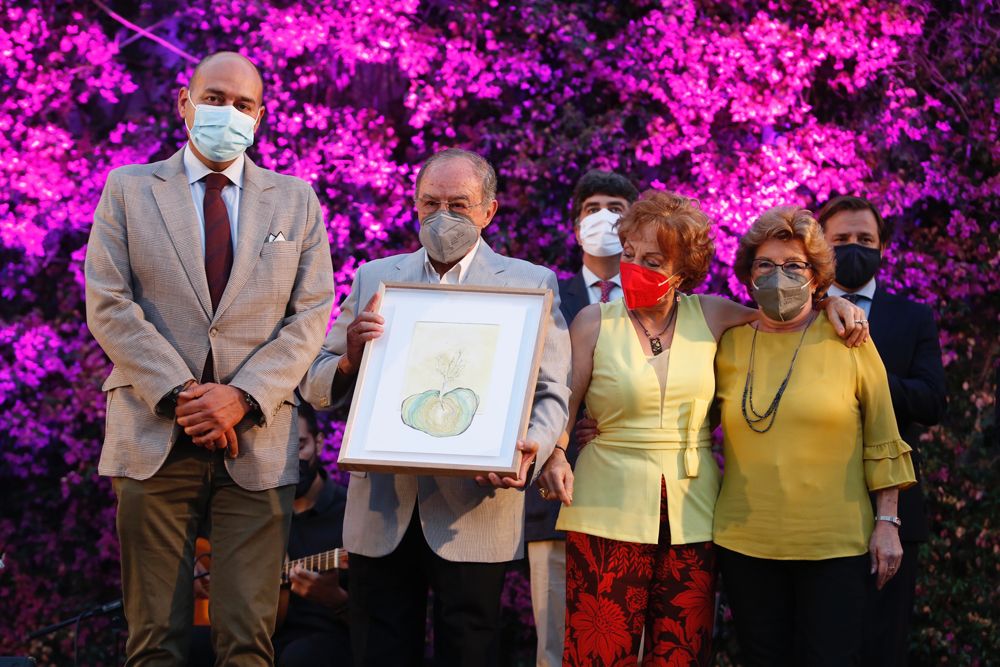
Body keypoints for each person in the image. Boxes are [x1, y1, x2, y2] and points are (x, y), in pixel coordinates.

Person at [537, 191, 868, 666]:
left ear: (683, 270)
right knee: (598, 653)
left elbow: (787, 318)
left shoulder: (711, 314)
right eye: (629, 255)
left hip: (694, 514)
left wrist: (834, 304)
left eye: (652, 259)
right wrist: (554, 455)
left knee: (682, 655)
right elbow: (562, 406)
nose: (634, 267)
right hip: (603, 505)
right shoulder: (593, 320)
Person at [85, 51, 334, 665]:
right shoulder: (129, 188)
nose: (229, 113)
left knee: (248, 642)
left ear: (261, 116)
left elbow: (310, 316)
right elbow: (109, 303)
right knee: (153, 644)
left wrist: (242, 398)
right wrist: (183, 395)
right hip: (153, 435)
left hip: (259, 441)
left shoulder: (296, 201)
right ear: (184, 101)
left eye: (243, 105)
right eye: (215, 98)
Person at [299, 147, 571, 667]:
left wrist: (527, 449)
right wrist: (350, 360)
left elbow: (552, 390)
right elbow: (315, 380)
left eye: (459, 204)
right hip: (382, 511)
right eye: (430, 203)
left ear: (489, 211)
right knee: (379, 651)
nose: (442, 216)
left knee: (470, 651)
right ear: (415, 205)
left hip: (475, 511)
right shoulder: (376, 277)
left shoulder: (530, 284)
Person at [712, 206, 917, 667]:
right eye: (765, 264)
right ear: (748, 274)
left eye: (793, 266)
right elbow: (686, 419)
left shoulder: (849, 338)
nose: (778, 275)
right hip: (746, 543)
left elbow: (883, 435)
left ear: (816, 277)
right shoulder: (727, 342)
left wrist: (888, 522)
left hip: (835, 547)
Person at [816, 195, 946, 666]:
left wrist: (870, 375)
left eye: (864, 240)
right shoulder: (797, 316)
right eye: (841, 240)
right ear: (819, 247)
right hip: (808, 511)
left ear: (883, 247)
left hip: (890, 514)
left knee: (881, 648)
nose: (854, 248)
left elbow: (932, 402)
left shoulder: (912, 317)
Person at [524, 169, 638, 667]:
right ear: (575, 226)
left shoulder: (669, 304)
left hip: (637, 497)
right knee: (556, 642)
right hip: (556, 500)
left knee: (633, 643)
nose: (603, 217)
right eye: (592, 208)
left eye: (615, 207)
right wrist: (561, 433)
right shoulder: (543, 297)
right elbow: (519, 384)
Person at [273, 402, 352, 667]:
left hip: (330, 641)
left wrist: (338, 601)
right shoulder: (260, 511)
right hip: (264, 634)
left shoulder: (349, 513)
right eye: (279, 451)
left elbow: (381, 622)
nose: (289, 462)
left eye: (299, 446)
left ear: (319, 443)